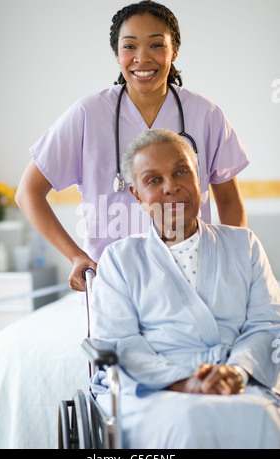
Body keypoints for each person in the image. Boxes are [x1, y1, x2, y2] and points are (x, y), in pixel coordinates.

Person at [15, 0, 249, 292]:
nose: (142, 58)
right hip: (113, 281)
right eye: (129, 46)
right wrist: (76, 256)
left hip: (192, 277)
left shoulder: (206, 115)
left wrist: (234, 262)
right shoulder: (88, 114)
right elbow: (28, 193)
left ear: (174, 50)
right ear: (117, 54)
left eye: (156, 45)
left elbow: (228, 201)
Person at [90, 128, 280, 449]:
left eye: (181, 172)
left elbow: (266, 324)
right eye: (153, 180)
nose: (171, 187)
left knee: (261, 416)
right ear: (136, 194)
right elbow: (121, 342)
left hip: (234, 383)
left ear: (199, 181)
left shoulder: (243, 244)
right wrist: (183, 381)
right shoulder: (119, 259)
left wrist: (237, 371)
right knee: (189, 422)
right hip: (155, 390)